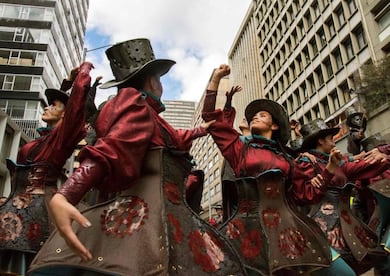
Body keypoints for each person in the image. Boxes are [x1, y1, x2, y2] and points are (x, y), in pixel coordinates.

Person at [28, 38, 246, 276]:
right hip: (142, 229)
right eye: (160, 79)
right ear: (153, 81)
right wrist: (66, 194)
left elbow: (175, 137)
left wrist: (200, 127)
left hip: (155, 226)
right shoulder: (135, 103)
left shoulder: (151, 115)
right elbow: (111, 149)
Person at [202, 64, 336, 275]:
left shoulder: (287, 158)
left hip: (289, 229)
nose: (255, 117)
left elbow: (304, 195)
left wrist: (326, 174)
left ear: (274, 126)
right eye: (254, 115)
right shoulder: (239, 148)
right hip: (246, 233)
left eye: (262, 115)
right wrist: (216, 78)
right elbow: (210, 116)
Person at [0, 62, 94, 276]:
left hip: (39, 213)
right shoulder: (45, 139)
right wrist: (67, 83)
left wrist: (82, 75)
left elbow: (76, 108)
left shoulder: (61, 139)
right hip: (12, 210)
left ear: (65, 115)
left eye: (54, 106)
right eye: (49, 104)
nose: (47, 107)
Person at [297, 118, 390, 275]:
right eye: (330, 139)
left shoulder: (339, 162)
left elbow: (361, 165)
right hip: (320, 231)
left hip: (346, 229)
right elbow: (302, 193)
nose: (334, 143)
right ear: (320, 140)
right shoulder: (305, 163)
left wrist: (384, 158)